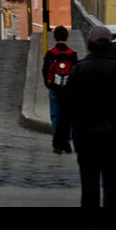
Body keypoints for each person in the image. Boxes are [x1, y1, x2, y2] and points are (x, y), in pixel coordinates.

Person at [54, 25, 116, 208]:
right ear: (110, 45)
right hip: (115, 138)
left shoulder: (79, 70)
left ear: (89, 45)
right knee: (112, 185)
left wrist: (60, 139)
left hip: (86, 138)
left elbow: (67, 108)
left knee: (89, 187)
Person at [42, 25, 78, 154]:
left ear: (55, 37)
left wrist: (49, 85)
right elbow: (76, 72)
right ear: (67, 38)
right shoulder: (72, 54)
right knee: (68, 117)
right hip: (68, 90)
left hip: (55, 89)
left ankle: (57, 144)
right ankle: (66, 142)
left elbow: (45, 71)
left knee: (56, 116)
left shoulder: (50, 53)